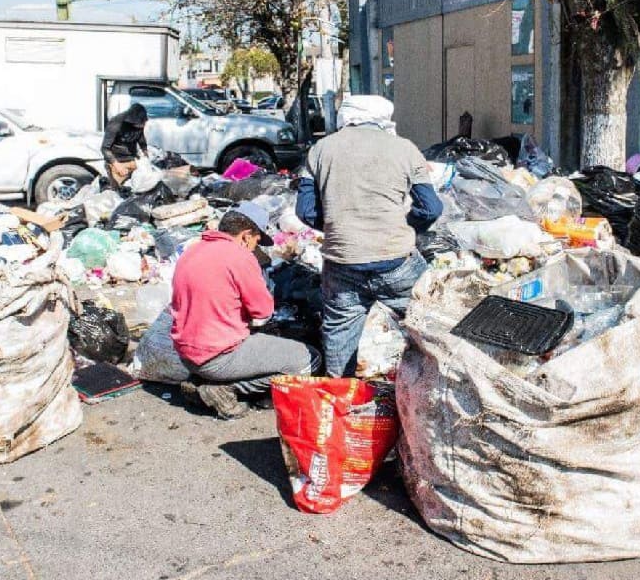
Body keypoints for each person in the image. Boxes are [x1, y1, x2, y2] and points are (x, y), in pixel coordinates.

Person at [296, 95, 442, 377]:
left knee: (339, 338)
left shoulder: (320, 150)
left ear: (346, 117)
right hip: (397, 262)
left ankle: (343, 402)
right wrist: (406, 225)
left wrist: (340, 226)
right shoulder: (405, 149)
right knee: (429, 327)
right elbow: (431, 207)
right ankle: (435, 386)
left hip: (341, 265)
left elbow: (304, 210)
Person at [171, 201, 319, 419]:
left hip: (186, 354)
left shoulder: (193, 250)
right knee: (310, 359)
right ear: (246, 235)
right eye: (257, 241)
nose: (255, 247)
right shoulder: (239, 256)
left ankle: (204, 380)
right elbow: (263, 311)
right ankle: (226, 389)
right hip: (218, 355)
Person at [101, 104, 149, 187]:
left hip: (132, 159)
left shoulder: (139, 123)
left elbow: (141, 138)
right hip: (117, 161)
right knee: (119, 190)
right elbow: (105, 148)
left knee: (138, 187)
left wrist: (145, 152)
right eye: (141, 123)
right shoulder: (116, 123)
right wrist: (117, 165)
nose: (143, 125)